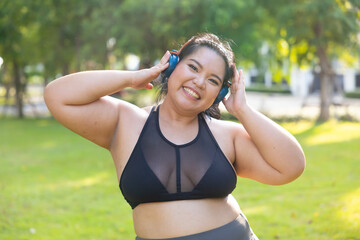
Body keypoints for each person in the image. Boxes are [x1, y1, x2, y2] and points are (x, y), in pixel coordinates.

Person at [44, 33, 305, 240]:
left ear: (220, 94)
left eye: (213, 81)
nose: (200, 82)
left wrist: (242, 110)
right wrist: (134, 78)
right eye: (193, 67)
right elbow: (57, 96)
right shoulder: (125, 122)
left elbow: (291, 166)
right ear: (172, 65)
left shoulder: (228, 135)